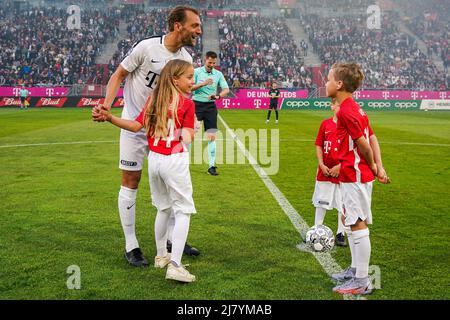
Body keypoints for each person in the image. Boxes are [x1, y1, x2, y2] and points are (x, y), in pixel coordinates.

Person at [92, 6, 202, 267]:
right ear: (178, 25)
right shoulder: (147, 48)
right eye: (195, 25)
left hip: (163, 131)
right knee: (131, 181)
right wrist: (107, 105)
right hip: (134, 124)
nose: (199, 30)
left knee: (172, 184)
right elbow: (119, 74)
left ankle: (175, 240)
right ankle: (131, 245)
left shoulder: (186, 58)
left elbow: (181, 93)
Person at [325, 63, 390, 295]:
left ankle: (362, 281)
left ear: (339, 84)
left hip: (355, 175)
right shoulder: (355, 108)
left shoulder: (346, 111)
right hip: (352, 174)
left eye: (329, 79)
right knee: (350, 220)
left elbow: (364, 144)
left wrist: (373, 166)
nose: (326, 83)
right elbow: (372, 137)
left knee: (357, 223)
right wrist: (379, 168)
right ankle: (355, 270)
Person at [312, 97, 346, 247]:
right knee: (321, 200)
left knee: (343, 203)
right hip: (325, 171)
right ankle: (316, 229)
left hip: (342, 172)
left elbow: (351, 151)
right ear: (332, 107)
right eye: (338, 106)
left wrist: (340, 166)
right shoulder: (325, 124)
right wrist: (321, 164)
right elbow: (319, 145)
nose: (341, 109)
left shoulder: (347, 127)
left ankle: (341, 233)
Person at [191, 51, 230, 176]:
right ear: (205, 60)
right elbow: (189, 88)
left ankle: (211, 166)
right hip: (196, 105)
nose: (212, 65)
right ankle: (183, 164)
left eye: (214, 63)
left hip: (210, 107)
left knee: (211, 136)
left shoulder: (218, 74)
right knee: (190, 135)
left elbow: (226, 89)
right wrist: (202, 83)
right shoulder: (197, 72)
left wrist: (218, 96)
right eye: (210, 62)